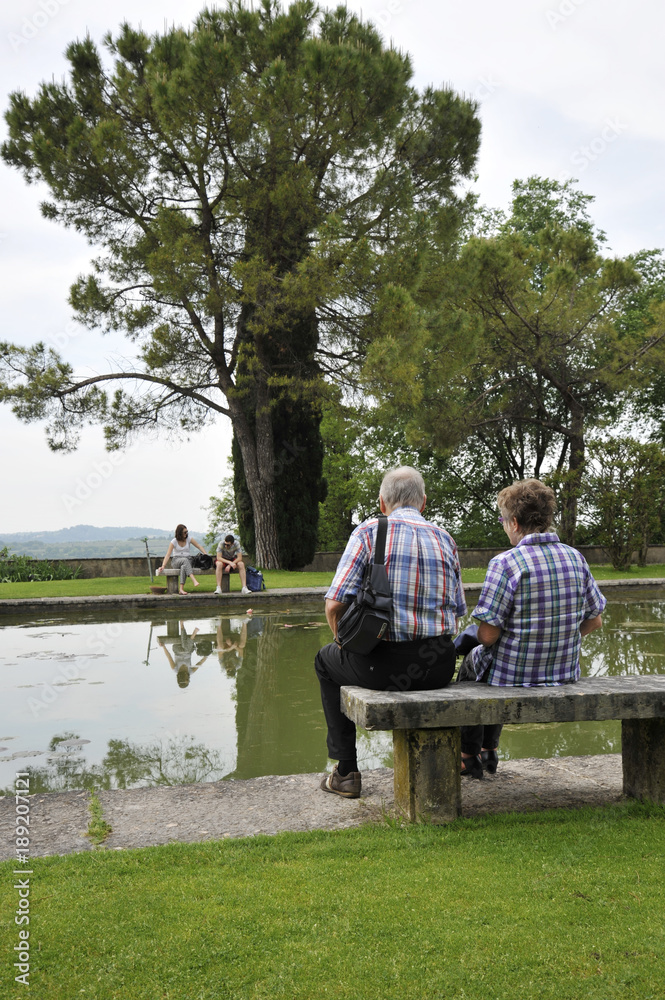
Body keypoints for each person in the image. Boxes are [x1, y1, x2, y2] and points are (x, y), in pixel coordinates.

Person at [315, 466, 466, 798]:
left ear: (382, 502)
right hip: (438, 667)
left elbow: (334, 605)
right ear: (423, 502)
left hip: (382, 667)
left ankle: (346, 771)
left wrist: (344, 643)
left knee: (325, 661)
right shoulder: (445, 539)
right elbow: (458, 610)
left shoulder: (369, 533)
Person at [458, 478, 606, 779]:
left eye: (503, 520)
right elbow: (595, 620)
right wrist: (561, 636)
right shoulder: (576, 558)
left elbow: (488, 636)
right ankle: (490, 749)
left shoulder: (506, 563)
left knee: (473, 666)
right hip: (563, 674)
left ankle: (468, 755)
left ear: (514, 522)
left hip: (513, 676)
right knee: (489, 664)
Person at [157, 525, 209, 595]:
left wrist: (205, 554)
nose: (186, 534)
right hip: (176, 561)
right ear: (179, 533)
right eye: (184, 532)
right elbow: (168, 555)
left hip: (188, 560)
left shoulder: (189, 539)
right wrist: (163, 566)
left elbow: (198, 546)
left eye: (187, 532)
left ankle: (181, 589)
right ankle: (193, 579)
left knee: (184, 566)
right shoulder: (174, 541)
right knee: (184, 560)